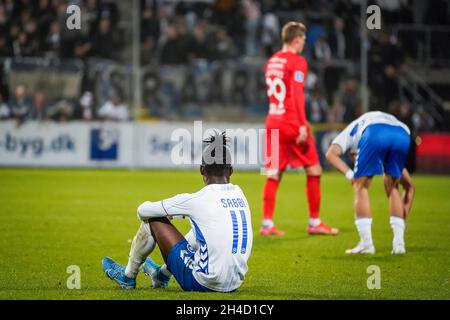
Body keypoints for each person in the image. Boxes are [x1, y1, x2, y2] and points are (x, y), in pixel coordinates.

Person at [102, 132, 253, 292]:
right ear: (231, 171)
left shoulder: (197, 199)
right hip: (234, 284)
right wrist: (181, 213)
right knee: (201, 229)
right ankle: (161, 274)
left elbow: (142, 211)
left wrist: (170, 213)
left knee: (152, 219)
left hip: (203, 283)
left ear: (202, 170)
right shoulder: (239, 193)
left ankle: (128, 276)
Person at [261, 21, 339, 236]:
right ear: (296, 39)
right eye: (304, 39)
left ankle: (267, 224)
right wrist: (303, 124)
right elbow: (296, 94)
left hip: (273, 121)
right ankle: (314, 222)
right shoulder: (297, 61)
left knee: (273, 172)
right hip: (291, 122)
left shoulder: (272, 61)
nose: (305, 42)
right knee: (314, 169)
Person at [326, 111, 416, 255]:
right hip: (403, 133)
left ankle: (366, 244)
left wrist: (351, 176)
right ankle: (399, 243)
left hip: (375, 132)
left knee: (360, 187)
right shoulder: (371, 130)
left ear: (353, 152)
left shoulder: (352, 131)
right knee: (393, 186)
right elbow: (411, 187)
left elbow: (330, 154)